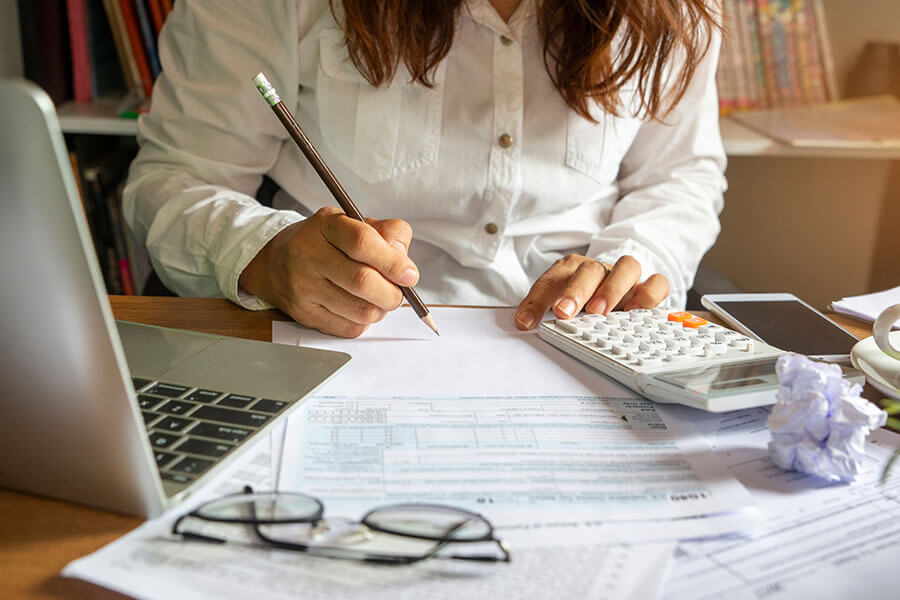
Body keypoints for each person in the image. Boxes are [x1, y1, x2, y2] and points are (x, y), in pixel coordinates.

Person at [124, 0, 726, 338]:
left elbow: (679, 176)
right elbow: (177, 176)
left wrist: (630, 263)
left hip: (582, 344)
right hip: (328, 339)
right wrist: (266, 255)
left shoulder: (668, 11)